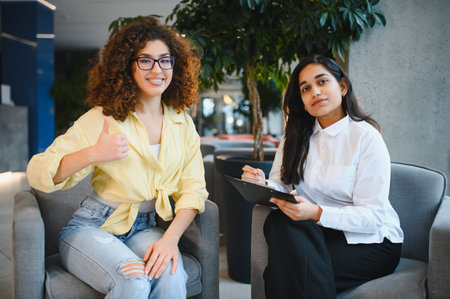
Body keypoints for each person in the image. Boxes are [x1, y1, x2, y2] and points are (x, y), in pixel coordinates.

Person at [26, 17, 207, 298]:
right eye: (145, 60)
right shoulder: (102, 118)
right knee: (132, 281)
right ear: (127, 65)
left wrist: (170, 240)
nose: (157, 69)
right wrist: (93, 153)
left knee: (171, 276)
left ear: (175, 65)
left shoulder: (183, 124)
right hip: (91, 226)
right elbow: (38, 173)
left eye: (165, 60)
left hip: (145, 227)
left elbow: (193, 190)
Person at [242, 55, 403, 298]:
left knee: (284, 272)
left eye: (322, 82)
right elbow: (281, 184)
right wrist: (261, 183)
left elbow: (373, 217)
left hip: (370, 241)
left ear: (342, 86)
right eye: (306, 88)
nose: (315, 92)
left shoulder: (366, 137)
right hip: (317, 232)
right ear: (302, 99)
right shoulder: (295, 135)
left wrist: (317, 213)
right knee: (278, 223)